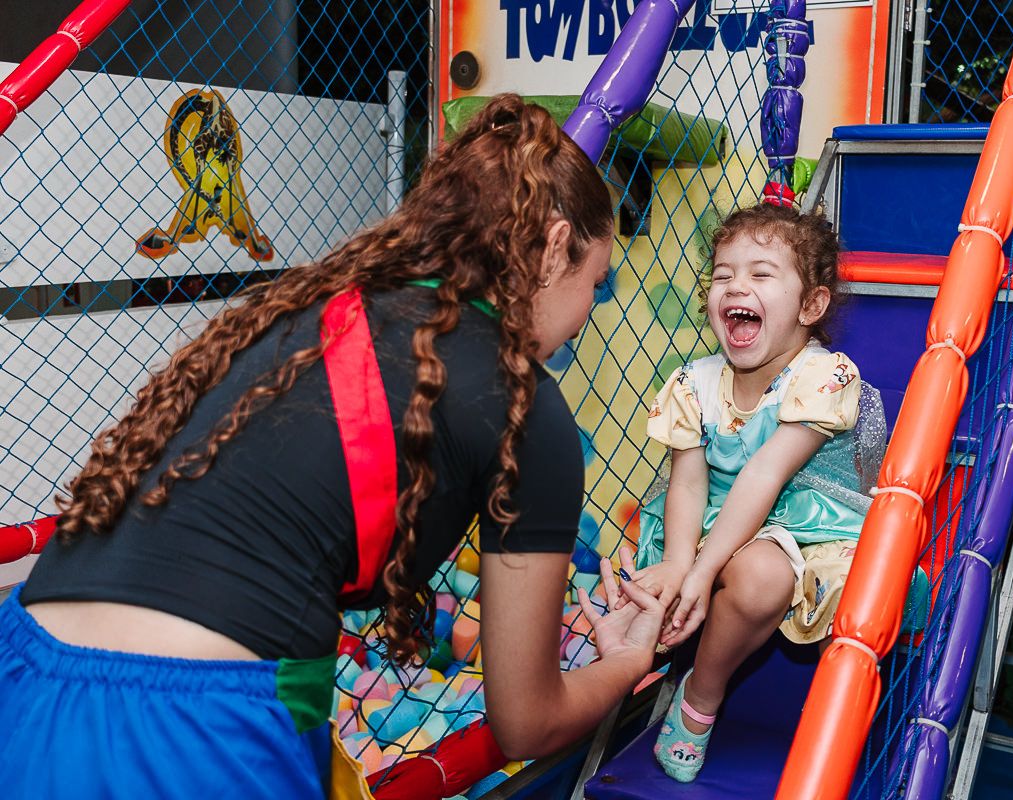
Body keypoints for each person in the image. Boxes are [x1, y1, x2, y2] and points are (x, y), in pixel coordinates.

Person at [0, 95, 665, 798]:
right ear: (556, 244)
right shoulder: (525, 403)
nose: (589, 312)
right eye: (595, 281)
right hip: (198, 717)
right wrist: (626, 663)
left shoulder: (310, 310)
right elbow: (528, 721)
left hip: (24, 665)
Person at [623, 203, 882, 783]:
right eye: (723, 275)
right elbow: (687, 480)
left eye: (761, 274)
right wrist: (677, 561)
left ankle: (701, 698)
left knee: (773, 579)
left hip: (808, 516)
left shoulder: (824, 376)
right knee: (653, 577)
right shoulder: (694, 382)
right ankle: (637, 678)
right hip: (722, 514)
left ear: (810, 306)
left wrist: (701, 570)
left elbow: (766, 474)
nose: (736, 284)